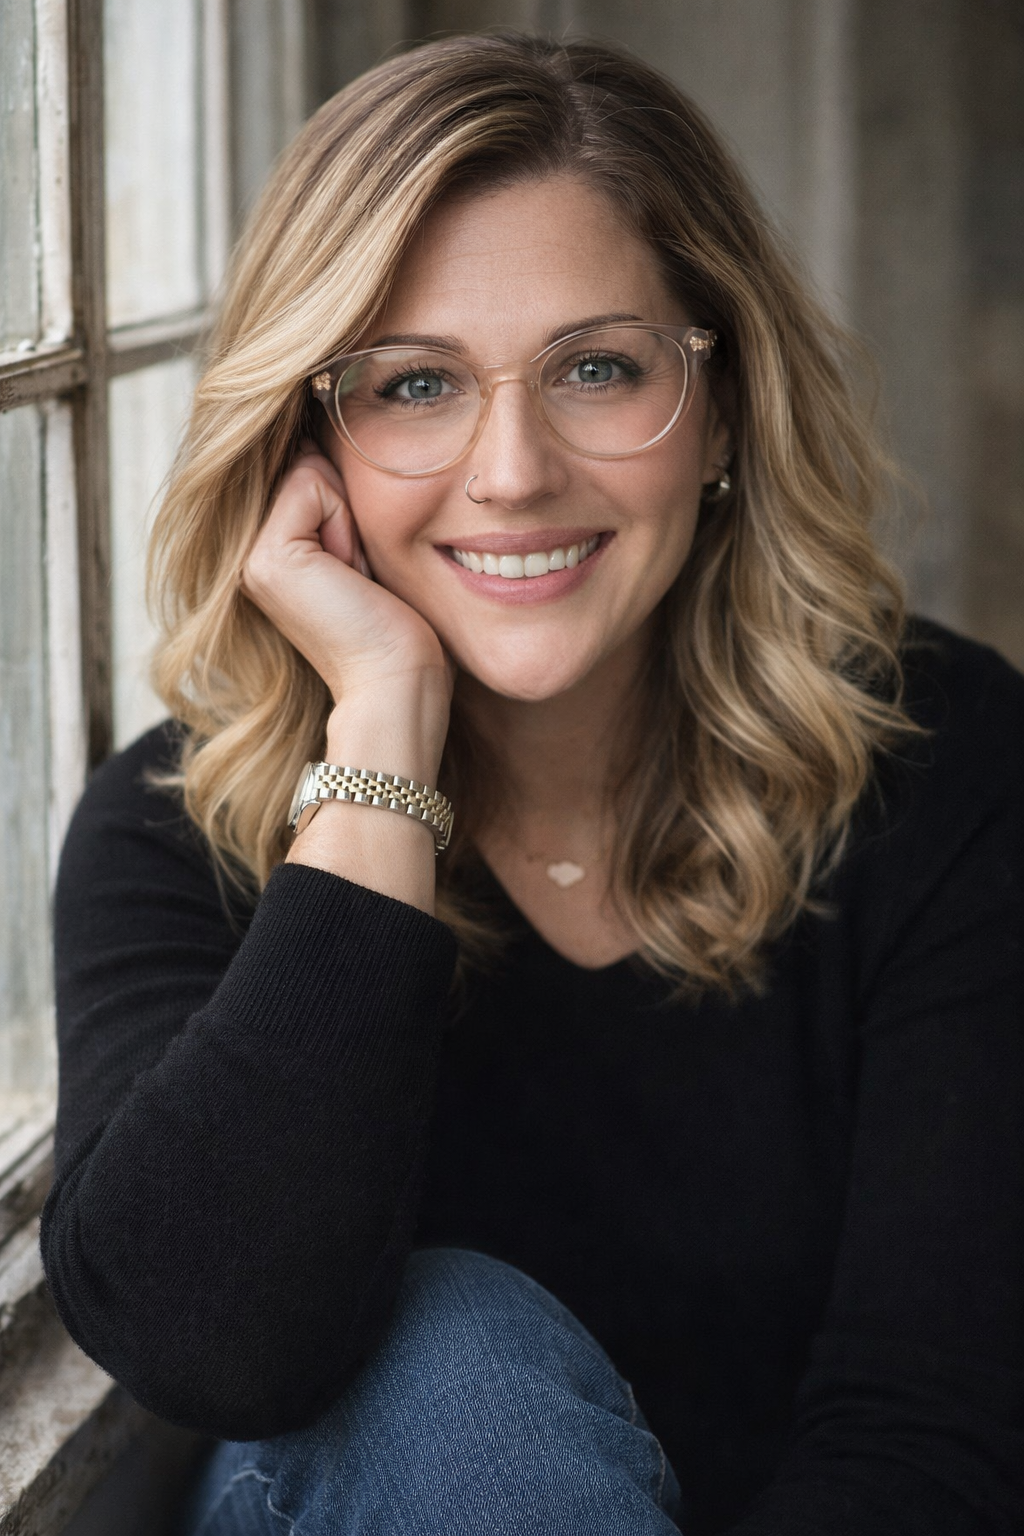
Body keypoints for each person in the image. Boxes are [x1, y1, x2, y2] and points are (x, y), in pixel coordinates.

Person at [41, 30, 1023, 1536]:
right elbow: (208, 1342)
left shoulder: (943, 769)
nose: (510, 471)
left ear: (723, 404)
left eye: (597, 368)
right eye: (416, 384)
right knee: (444, 1366)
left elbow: (938, 1432)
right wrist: (380, 732)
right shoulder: (179, 831)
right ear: (312, 439)